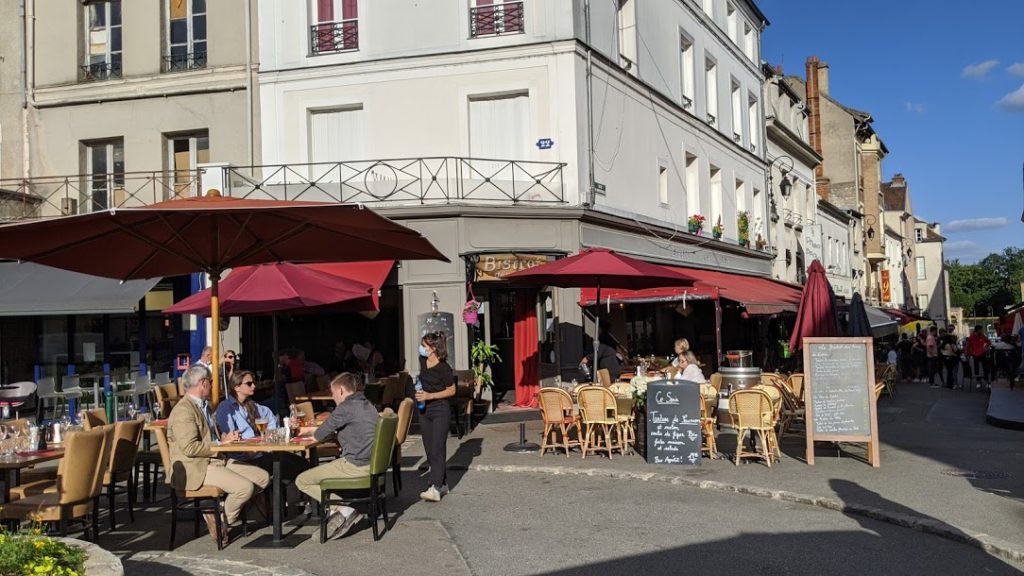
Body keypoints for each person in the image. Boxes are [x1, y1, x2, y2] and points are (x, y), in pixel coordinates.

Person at [167, 365, 270, 546]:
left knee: (262, 478)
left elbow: (211, 438)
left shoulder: (203, 406)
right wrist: (220, 444)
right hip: (196, 467)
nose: (213, 385)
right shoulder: (184, 410)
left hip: (215, 459)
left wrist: (225, 438)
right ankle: (223, 521)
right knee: (244, 487)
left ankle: (220, 516)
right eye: (211, 382)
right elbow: (190, 448)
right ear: (202, 383)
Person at [294, 372, 378, 540]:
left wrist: (309, 432)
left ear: (340, 390)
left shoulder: (345, 408)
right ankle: (336, 510)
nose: (332, 397)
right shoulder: (367, 404)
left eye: (332, 393)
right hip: (373, 462)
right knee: (321, 473)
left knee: (302, 480)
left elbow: (319, 435)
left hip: (356, 464)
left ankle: (343, 509)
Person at [215, 370, 310, 482]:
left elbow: (268, 414)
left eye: (253, 382)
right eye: (249, 383)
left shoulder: (250, 404)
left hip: (261, 453)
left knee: (301, 463)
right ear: (237, 387)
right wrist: (252, 450)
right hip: (246, 459)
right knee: (299, 467)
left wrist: (271, 433)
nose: (254, 385)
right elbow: (231, 439)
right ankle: (283, 496)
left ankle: (284, 495)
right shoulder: (226, 409)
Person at [416, 331, 456, 502]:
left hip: (440, 409)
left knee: (437, 448)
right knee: (429, 448)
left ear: (433, 348)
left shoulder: (444, 368)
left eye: (425, 346)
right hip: (424, 410)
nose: (422, 348)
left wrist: (430, 396)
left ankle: (434, 487)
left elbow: (452, 390)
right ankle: (444, 483)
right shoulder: (423, 360)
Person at [965, 325, 991, 389]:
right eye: (981, 329)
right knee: (977, 368)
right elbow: (968, 346)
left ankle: (987, 381)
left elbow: (988, 342)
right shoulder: (972, 337)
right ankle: (978, 381)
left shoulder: (982, 335)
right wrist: (971, 352)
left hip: (982, 353)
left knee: (985, 368)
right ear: (978, 330)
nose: (982, 331)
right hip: (975, 354)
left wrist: (985, 347)